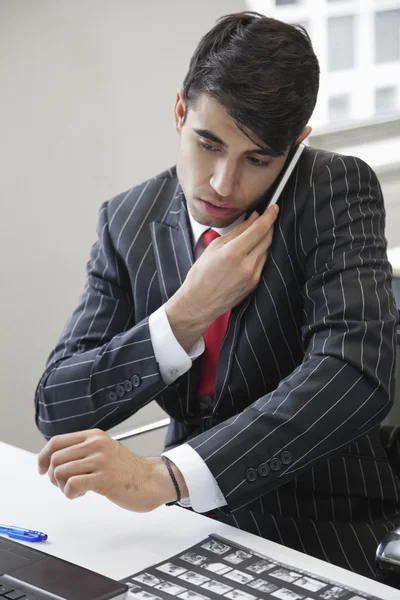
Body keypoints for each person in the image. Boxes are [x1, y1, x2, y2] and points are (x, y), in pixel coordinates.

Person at [35, 12, 399, 580]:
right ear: (181, 110)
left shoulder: (332, 190)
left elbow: (353, 373)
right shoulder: (128, 220)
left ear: (296, 144)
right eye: (208, 144)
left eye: (258, 159)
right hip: (174, 531)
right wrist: (184, 315)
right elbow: (58, 406)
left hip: (321, 531)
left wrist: (166, 476)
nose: (224, 184)